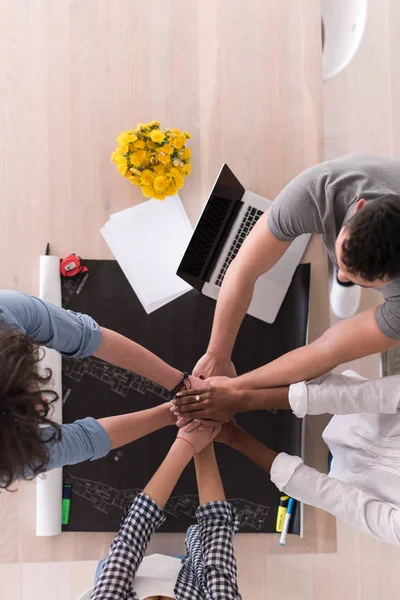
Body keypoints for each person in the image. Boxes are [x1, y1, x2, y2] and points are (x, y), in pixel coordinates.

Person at [192, 154, 400, 389]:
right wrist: (216, 355)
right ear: (358, 208)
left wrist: (238, 387)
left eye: (361, 280)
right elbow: (243, 269)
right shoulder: (320, 188)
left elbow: (328, 349)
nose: (340, 274)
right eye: (341, 263)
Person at [0, 290, 206, 488]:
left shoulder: (4, 313)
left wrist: (182, 383)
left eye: (33, 395)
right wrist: (177, 411)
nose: (44, 404)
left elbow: (86, 336)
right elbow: (84, 440)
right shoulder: (9, 458)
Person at [189, 371, 400, 547]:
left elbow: (340, 500)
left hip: (349, 472)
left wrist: (236, 437)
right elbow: (370, 394)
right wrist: (242, 396)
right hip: (355, 411)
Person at [90, 422, 242, 600]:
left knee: (113, 564)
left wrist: (186, 441)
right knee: (204, 562)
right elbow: (217, 535)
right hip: (188, 577)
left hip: (131, 579)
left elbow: (129, 543)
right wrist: (202, 438)